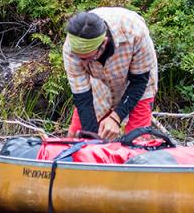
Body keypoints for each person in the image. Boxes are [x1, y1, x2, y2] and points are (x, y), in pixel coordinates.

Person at [63, 8, 158, 141]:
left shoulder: (135, 32)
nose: (82, 63)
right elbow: (82, 98)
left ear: (104, 43)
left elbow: (139, 82)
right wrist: (91, 139)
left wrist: (116, 117)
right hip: (99, 82)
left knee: (136, 140)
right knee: (77, 137)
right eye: (79, 58)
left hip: (139, 81)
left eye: (86, 58)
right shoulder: (71, 47)